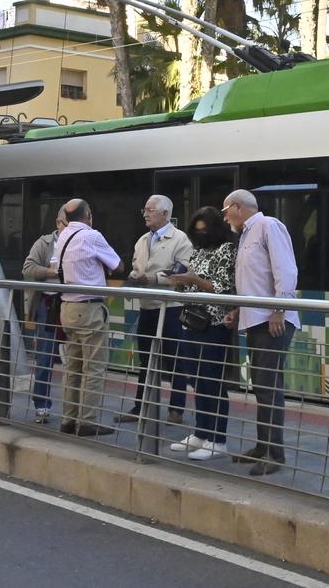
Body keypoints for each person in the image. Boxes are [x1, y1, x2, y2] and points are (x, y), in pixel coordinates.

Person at [222, 189, 299, 476]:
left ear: (238, 207)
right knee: (262, 386)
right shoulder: (246, 235)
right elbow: (254, 281)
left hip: (272, 320)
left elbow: (286, 270)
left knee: (268, 387)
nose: (225, 215)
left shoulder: (268, 226)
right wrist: (240, 310)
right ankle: (263, 445)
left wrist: (279, 308)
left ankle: (274, 453)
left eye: (226, 210)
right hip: (257, 319)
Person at [166, 207, 237, 460]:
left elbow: (222, 287)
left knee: (212, 381)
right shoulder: (196, 252)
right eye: (196, 230)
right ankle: (201, 432)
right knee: (195, 378)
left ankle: (218, 439)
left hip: (214, 324)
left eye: (204, 229)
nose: (200, 234)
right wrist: (180, 281)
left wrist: (194, 280)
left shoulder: (227, 250)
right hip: (190, 322)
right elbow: (191, 285)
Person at [116, 195, 194, 424]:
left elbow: (182, 273)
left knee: (174, 358)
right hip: (147, 306)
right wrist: (134, 276)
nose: (146, 213)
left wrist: (150, 278)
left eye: (150, 209)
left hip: (170, 307)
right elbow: (135, 266)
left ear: (165, 214)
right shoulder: (142, 240)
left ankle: (176, 409)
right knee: (146, 360)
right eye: (145, 209)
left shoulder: (181, 240)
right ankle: (142, 407)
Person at [53, 198, 123, 437]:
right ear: (88, 214)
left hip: (67, 309)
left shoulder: (62, 237)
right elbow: (118, 265)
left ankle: (68, 420)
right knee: (94, 369)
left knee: (73, 368)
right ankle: (88, 422)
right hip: (90, 309)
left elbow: (55, 268)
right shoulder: (92, 236)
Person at [21, 209, 67, 424]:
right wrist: (53, 272)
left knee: (76, 359)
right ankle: (41, 405)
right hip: (49, 305)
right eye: (69, 223)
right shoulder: (44, 243)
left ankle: (76, 409)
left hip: (74, 303)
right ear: (59, 223)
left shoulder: (83, 240)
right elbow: (28, 268)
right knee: (45, 356)